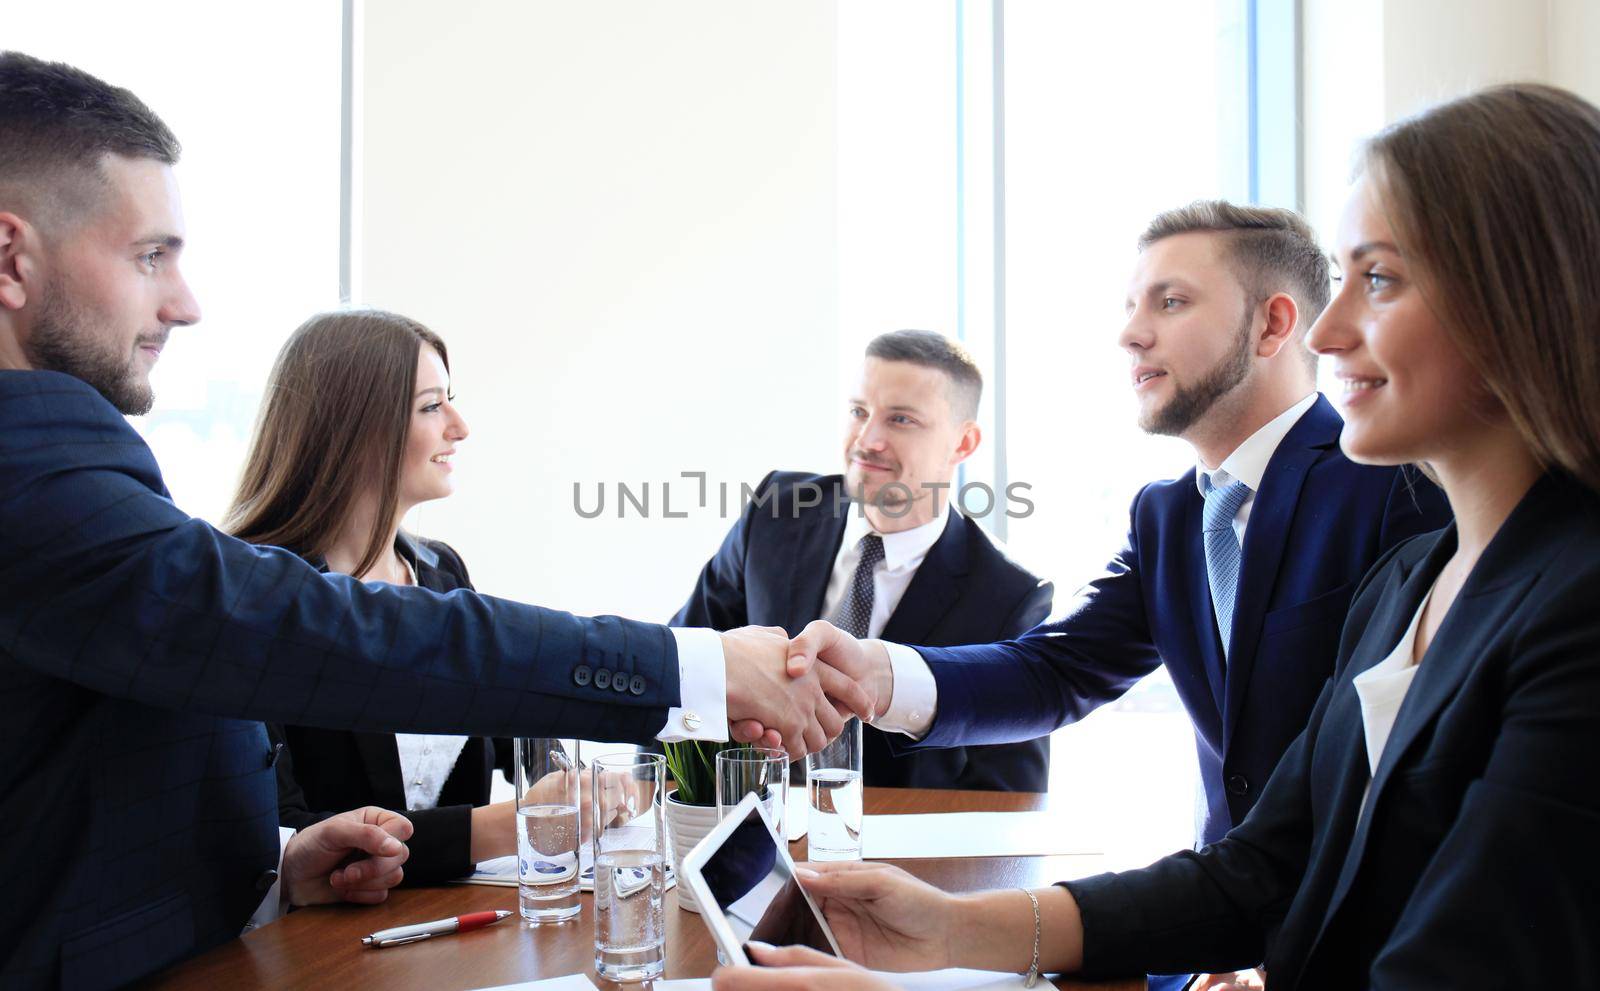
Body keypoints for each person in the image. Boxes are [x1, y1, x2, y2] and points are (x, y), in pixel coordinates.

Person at [0, 52, 869, 988]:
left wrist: (276, 870)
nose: (186, 302)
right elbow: (315, 632)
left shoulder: (66, 457)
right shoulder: (29, 460)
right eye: (148, 256)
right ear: (12, 258)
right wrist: (691, 667)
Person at [721, 81, 1600, 989]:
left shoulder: (1438, 525)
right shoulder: (1398, 575)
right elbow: (1249, 841)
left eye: (1376, 278)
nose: (1131, 335)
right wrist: (953, 925)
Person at [223, 309, 553, 883]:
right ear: (354, 427)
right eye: (432, 406)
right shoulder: (255, 595)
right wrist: (514, 823)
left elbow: (515, 724)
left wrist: (587, 780)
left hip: (455, 932)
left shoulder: (440, 570)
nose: (460, 426)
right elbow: (286, 836)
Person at [673, 330, 1054, 792]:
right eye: (859, 412)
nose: (868, 439)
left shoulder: (1010, 598)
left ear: (963, 443)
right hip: (744, 828)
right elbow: (684, 663)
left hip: (899, 849)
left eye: (900, 420)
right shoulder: (775, 513)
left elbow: (1011, 794)